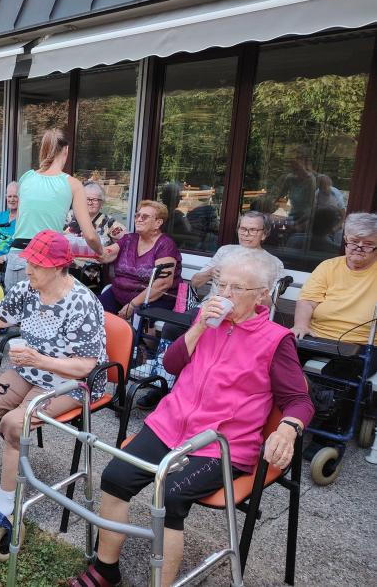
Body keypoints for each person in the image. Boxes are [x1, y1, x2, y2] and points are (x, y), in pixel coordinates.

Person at [67, 247, 314, 587]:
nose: (224, 294)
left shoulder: (275, 340)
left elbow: (299, 400)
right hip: (170, 424)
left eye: (236, 288)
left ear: (261, 295)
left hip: (219, 443)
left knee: (170, 495)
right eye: (220, 285)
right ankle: (106, 570)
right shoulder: (206, 318)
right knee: (115, 477)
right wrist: (199, 328)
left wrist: (287, 429)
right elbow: (171, 366)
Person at [0, 230, 108, 550]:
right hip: (30, 369)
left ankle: (5, 509)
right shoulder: (27, 290)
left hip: (71, 382)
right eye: (29, 263)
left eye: (36, 265)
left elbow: (85, 366)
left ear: (57, 267)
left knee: (14, 425)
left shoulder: (82, 302)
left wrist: (40, 359)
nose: (28, 270)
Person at [6, 129, 113, 290]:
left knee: (13, 315)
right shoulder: (72, 184)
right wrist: (101, 252)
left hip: (17, 258)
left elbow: (24, 219)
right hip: (46, 261)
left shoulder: (26, 177)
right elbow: (90, 236)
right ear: (66, 150)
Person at [291, 212, 377, 345]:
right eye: (354, 241)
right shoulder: (328, 267)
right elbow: (308, 301)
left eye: (368, 244)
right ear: (345, 239)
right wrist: (301, 326)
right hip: (316, 336)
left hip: (360, 344)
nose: (359, 248)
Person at [98, 200, 182, 320]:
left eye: (145, 216)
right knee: (95, 312)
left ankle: (136, 339)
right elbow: (106, 255)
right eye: (137, 215)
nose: (139, 219)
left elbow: (162, 284)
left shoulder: (165, 245)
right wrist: (91, 241)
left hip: (151, 298)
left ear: (158, 223)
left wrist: (132, 305)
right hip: (118, 293)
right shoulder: (128, 239)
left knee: (140, 319)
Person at [191, 211, 284, 291]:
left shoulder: (274, 263)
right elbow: (195, 283)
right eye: (243, 229)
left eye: (253, 230)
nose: (246, 234)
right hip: (211, 306)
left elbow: (268, 304)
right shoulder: (225, 251)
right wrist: (210, 272)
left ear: (264, 234)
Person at [64, 181, 126, 290]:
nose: (90, 202)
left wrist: (109, 251)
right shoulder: (69, 216)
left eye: (95, 200)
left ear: (102, 203)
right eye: (87, 199)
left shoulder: (108, 222)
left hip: (91, 271)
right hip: (64, 267)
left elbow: (127, 240)